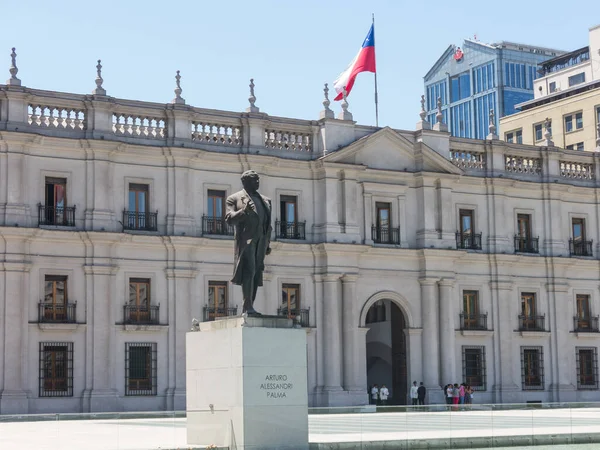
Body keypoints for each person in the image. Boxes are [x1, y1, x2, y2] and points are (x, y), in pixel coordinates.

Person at [225, 170, 272, 315]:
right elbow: (229, 218)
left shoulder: (266, 200)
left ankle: (250, 305)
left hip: (261, 241)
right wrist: (243, 212)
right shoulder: (234, 199)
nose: (257, 182)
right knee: (249, 270)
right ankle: (247, 306)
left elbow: (267, 223)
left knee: (257, 273)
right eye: (254, 180)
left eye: (258, 179)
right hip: (246, 240)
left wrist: (267, 244)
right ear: (245, 182)